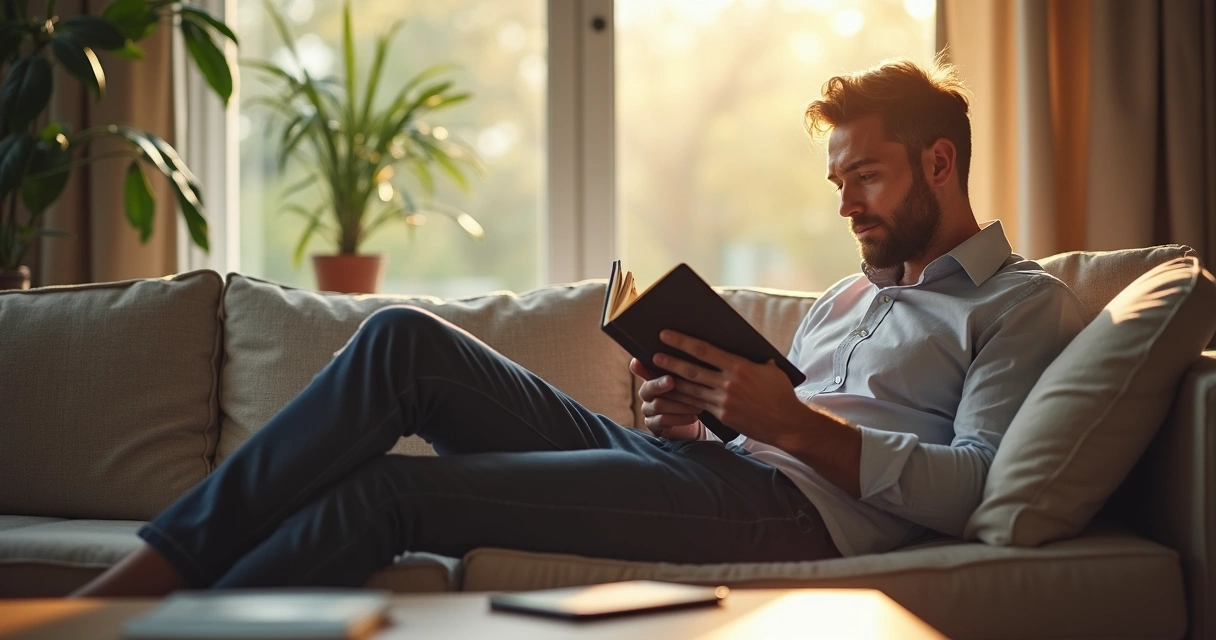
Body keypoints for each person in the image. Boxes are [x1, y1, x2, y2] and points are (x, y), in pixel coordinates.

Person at [72, 57, 1085, 597]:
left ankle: (142, 620)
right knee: (401, 339)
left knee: (391, 492)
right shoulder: (846, 297)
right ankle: (156, 569)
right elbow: (759, 429)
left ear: (940, 163)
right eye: (837, 183)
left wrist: (789, 424)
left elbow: (976, 485)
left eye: (865, 176)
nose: (847, 204)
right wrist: (697, 413)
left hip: (790, 517)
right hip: (716, 471)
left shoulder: (1017, 304)